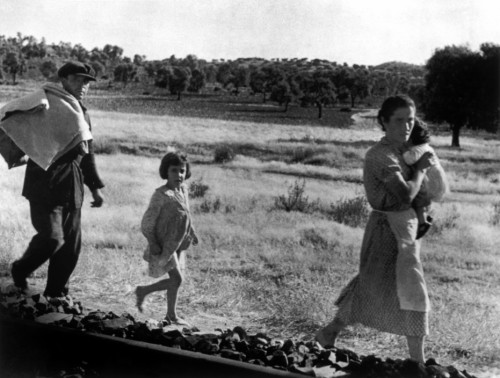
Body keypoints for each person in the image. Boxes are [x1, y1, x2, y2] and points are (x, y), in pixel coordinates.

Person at [315, 95, 436, 362]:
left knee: (398, 286)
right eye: (399, 120)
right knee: (387, 285)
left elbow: (417, 197)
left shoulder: (406, 152)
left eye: (410, 120)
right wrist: (420, 171)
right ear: (383, 121)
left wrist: (422, 213)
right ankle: (417, 363)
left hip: (405, 228)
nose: (406, 126)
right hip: (385, 228)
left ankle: (331, 333)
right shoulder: (380, 155)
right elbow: (404, 194)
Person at [5, 61, 105, 299]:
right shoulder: (45, 104)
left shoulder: (83, 113)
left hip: (72, 185)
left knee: (70, 248)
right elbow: (17, 121)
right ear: (64, 80)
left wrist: (96, 188)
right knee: (52, 239)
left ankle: (55, 296)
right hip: (43, 183)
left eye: (87, 82)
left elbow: (87, 153)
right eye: (77, 80)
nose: (83, 86)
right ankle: (20, 270)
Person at [135, 151, 198, 326]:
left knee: (176, 281)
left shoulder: (183, 190)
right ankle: (143, 291)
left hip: (177, 242)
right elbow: (147, 223)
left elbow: (186, 212)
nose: (179, 175)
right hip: (163, 244)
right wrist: (153, 243)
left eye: (182, 171)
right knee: (177, 279)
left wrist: (191, 231)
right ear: (166, 172)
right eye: (174, 171)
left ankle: (171, 314)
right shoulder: (160, 195)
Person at [401, 119, 449, 239]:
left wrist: (403, 150)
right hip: (435, 180)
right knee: (420, 199)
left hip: (430, 181)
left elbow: (409, 159)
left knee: (418, 198)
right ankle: (423, 220)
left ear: (411, 138)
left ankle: (422, 222)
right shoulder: (425, 146)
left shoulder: (418, 149)